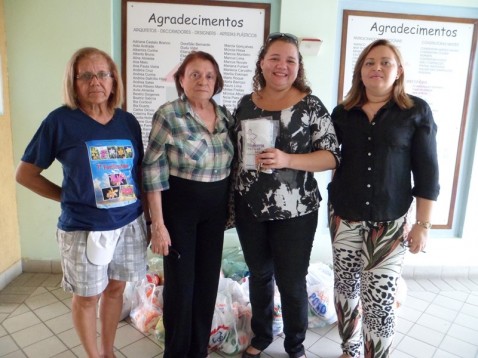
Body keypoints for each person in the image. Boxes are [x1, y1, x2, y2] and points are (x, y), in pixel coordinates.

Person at [15, 47, 149, 358]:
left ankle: (108, 350)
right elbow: (25, 174)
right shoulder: (60, 122)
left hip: (129, 224)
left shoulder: (128, 122)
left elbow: (137, 172)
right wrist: (65, 195)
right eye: (85, 76)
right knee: (87, 297)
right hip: (83, 229)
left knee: (116, 290)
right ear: (73, 83)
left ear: (113, 80)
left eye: (103, 74)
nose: (95, 82)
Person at [328, 39, 440, 358]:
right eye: (369, 62)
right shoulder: (343, 113)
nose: (377, 67)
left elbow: (428, 172)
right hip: (344, 217)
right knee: (345, 290)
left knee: (379, 300)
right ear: (360, 71)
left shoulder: (415, 111)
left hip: (389, 224)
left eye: (385, 62)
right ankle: (349, 349)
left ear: (399, 70)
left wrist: (423, 223)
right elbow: (331, 159)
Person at [232, 32, 340, 358]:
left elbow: (332, 156)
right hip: (250, 206)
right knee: (259, 275)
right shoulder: (246, 104)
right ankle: (262, 336)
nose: (282, 65)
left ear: (298, 66)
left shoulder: (310, 105)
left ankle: (295, 346)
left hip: (296, 210)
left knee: (291, 282)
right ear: (262, 62)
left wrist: (287, 160)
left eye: (290, 60)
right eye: (275, 58)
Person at [142, 51, 234, 358]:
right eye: (194, 74)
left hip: (214, 213)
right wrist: (158, 224)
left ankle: (198, 351)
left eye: (209, 75)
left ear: (216, 81)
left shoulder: (225, 117)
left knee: (207, 285)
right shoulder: (168, 115)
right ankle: (177, 352)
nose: (202, 81)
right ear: (181, 79)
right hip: (178, 210)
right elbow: (151, 170)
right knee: (182, 287)